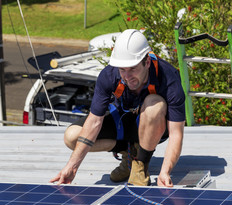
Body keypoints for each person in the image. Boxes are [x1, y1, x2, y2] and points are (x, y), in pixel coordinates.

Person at [50, 29, 185, 187]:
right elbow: (94, 121)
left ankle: (141, 163)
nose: (127, 76)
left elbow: (176, 133)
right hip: (123, 122)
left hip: (154, 125)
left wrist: (165, 172)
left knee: (155, 104)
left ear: (147, 62)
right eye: (123, 70)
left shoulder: (168, 78)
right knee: (72, 137)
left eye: (133, 69)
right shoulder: (109, 75)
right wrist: (72, 167)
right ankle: (129, 153)